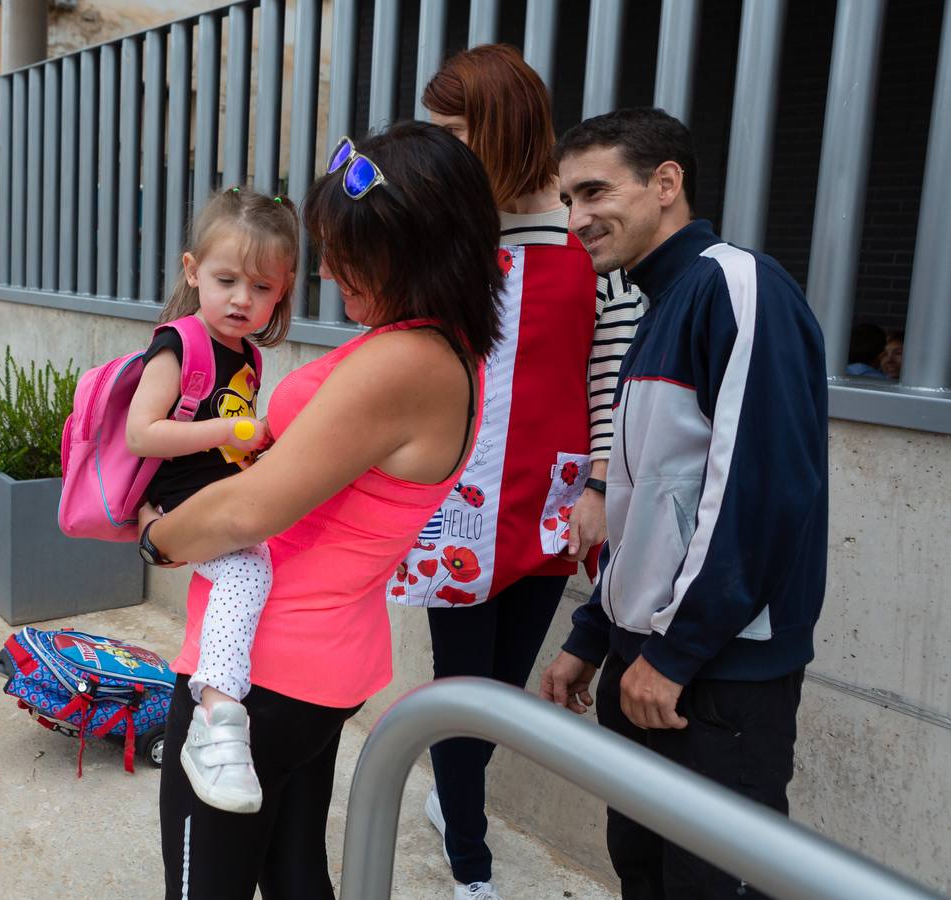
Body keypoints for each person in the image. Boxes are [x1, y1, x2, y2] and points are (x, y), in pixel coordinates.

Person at [142, 122, 501, 899]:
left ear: (415, 251)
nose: (329, 269)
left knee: (206, 883)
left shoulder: (406, 362)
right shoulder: (441, 345)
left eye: (347, 252)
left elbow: (247, 513)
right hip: (320, 661)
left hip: (264, 667)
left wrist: (154, 539)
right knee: (295, 868)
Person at [540, 108, 828, 899]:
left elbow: (762, 495)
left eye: (594, 191)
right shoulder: (655, 304)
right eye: (567, 199)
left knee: (711, 884)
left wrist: (671, 654)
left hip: (713, 673)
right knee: (645, 872)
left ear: (666, 183)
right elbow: (643, 505)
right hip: (648, 661)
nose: (576, 219)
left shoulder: (735, 285)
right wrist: (593, 635)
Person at [401, 44, 645, 900]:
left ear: (502, 132)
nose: (442, 156)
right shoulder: (445, 233)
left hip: (551, 502)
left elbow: (608, 375)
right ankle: (471, 863)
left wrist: (599, 486)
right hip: (456, 499)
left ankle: (448, 800)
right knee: (462, 684)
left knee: (499, 687)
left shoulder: (585, 238)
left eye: (456, 136)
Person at [124, 185, 297, 814]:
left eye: (262, 288)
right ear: (194, 271)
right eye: (227, 280)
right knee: (247, 571)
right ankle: (218, 712)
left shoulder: (245, 354)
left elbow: (231, 441)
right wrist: (232, 431)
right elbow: (143, 431)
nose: (242, 300)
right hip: (182, 504)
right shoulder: (180, 343)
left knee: (254, 573)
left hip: (221, 493)